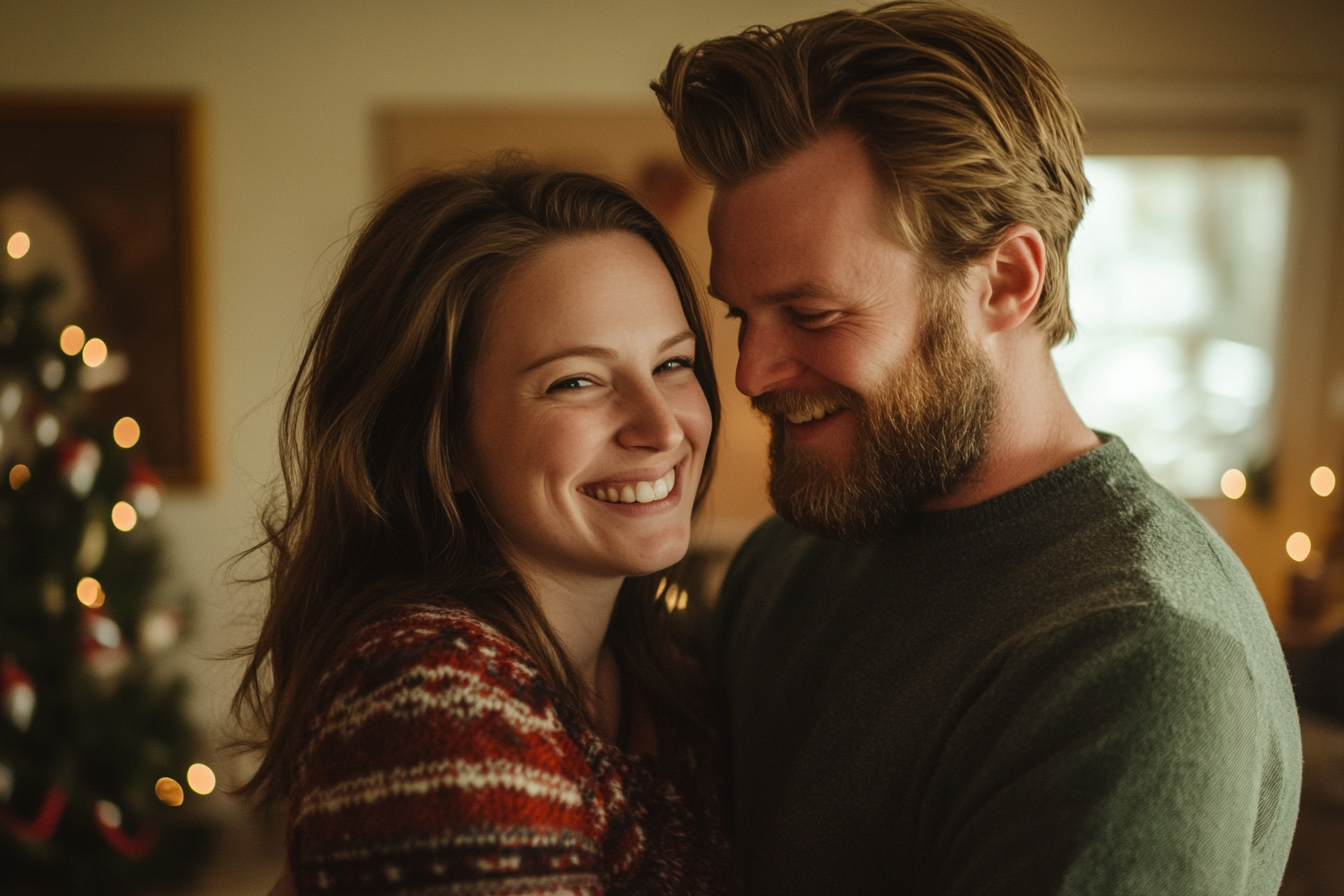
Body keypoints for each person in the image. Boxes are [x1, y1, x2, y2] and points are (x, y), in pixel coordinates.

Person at [653, 2, 1300, 893]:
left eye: (812, 314)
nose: (751, 375)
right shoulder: (792, 556)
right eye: (741, 315)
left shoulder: (1135, 660)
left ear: (1007, 279)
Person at [232, 161, 733, 894]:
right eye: (576, 381)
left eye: (674, 364)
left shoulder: (669, 679)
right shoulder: (430, 699)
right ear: (443, 441)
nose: (662, 428)